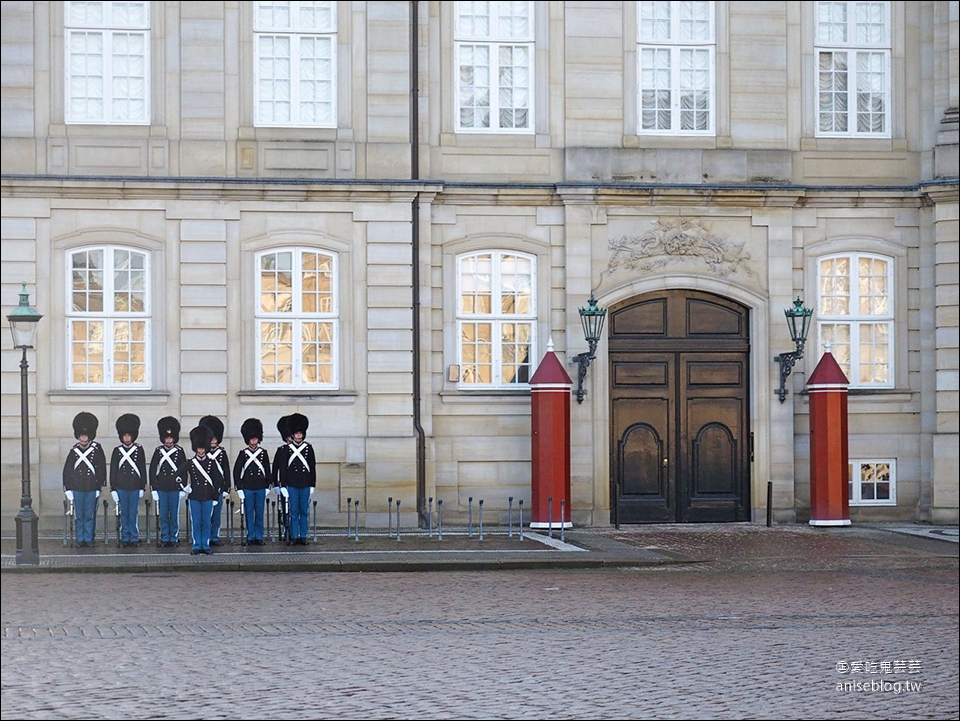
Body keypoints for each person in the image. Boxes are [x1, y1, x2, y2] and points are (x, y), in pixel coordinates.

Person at [62, 412, 107, 547]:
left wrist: (100, 486)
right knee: (79, 516)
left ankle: (89, 538)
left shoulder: (96, 450)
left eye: (85, 435)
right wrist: (67, 488)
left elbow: (101, 469)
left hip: (91, 487)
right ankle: (80, 538)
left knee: (89, 515)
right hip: (77, 488)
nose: (83, 437)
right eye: (81, 435)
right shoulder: (74, 451)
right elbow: (67, 471)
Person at [273, 412, 316, 545]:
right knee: (293, 511)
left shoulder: (308, 448)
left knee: (304, 511)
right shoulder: (286, 449)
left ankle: (303, 535)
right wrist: (283, 485)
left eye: (300, 433)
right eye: (296, 433)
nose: (298, 435)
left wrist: (312, 484)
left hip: (304, 484)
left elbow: (312, 467)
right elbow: (283, 469)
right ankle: (294, 535)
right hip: (291, 484)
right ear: (292, 434)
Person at [181, 424, 224, 555]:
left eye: (202, 448)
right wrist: (184, 486)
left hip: (208, 496)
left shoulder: (211, 462)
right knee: (196, 523)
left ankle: (205, 545)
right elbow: (178, 475)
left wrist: (216, 496)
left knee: (206, 522)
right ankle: (196, 545)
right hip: (194, 496)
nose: (200, 451)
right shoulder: (190, 462)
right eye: (198, 449)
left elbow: (218, 481)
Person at [109, 413, 147, 547]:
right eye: (124, 435)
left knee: (133, 513)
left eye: (129, 435)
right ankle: (125, 536)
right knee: (124, 513)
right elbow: (113, 471)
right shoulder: (117, 451)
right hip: (121, 487)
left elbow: (142, 469)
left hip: (135, 486)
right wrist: (113, 488)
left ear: (132, 436)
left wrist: (143, 486)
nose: (126, 438)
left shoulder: (139, 449)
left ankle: (134, 536)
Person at [149, 416, 187, 547]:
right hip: (162, 487)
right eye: (167, 438)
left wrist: (183, 487)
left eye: (171, 437)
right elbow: (153, 469)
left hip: (175, 487)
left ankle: (174, 537)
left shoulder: (179, 451)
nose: (169, 439)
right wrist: (154, 488)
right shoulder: (158, 451)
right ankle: (165, 537)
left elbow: (184, 469)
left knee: (174, 515)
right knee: (164, 515)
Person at [234, 418, 271, 546]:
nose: (254, 440)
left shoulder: (263, 453)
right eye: (252, 438)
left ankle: (259, 536)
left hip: (260, 487)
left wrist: (268, 485)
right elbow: (237, 471)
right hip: (248, 487)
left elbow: (267, 469)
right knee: (249, 513)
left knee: (259, 513)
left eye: (255, 438)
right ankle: (250, 536)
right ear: (248, 439)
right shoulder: (243, 453)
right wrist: (239, 488)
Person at [199, 415, 230, 546]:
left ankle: (214, 536)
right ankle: (205, 537)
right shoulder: (201, 454)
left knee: (216, 515)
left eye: (215, 438)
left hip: (217, 489)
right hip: (205, 488)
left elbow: (226, 470)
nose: (213, 441)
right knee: (205, 516)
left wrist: (226, 487)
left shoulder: (221, 453)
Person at [271, 416, 292, 542]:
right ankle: (287, 530)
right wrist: (276, 485)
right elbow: (275, 468)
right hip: (285, 485)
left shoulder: (304, 449)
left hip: (298, 484)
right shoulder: (282, 450)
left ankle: (297, 532)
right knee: (286, 510)